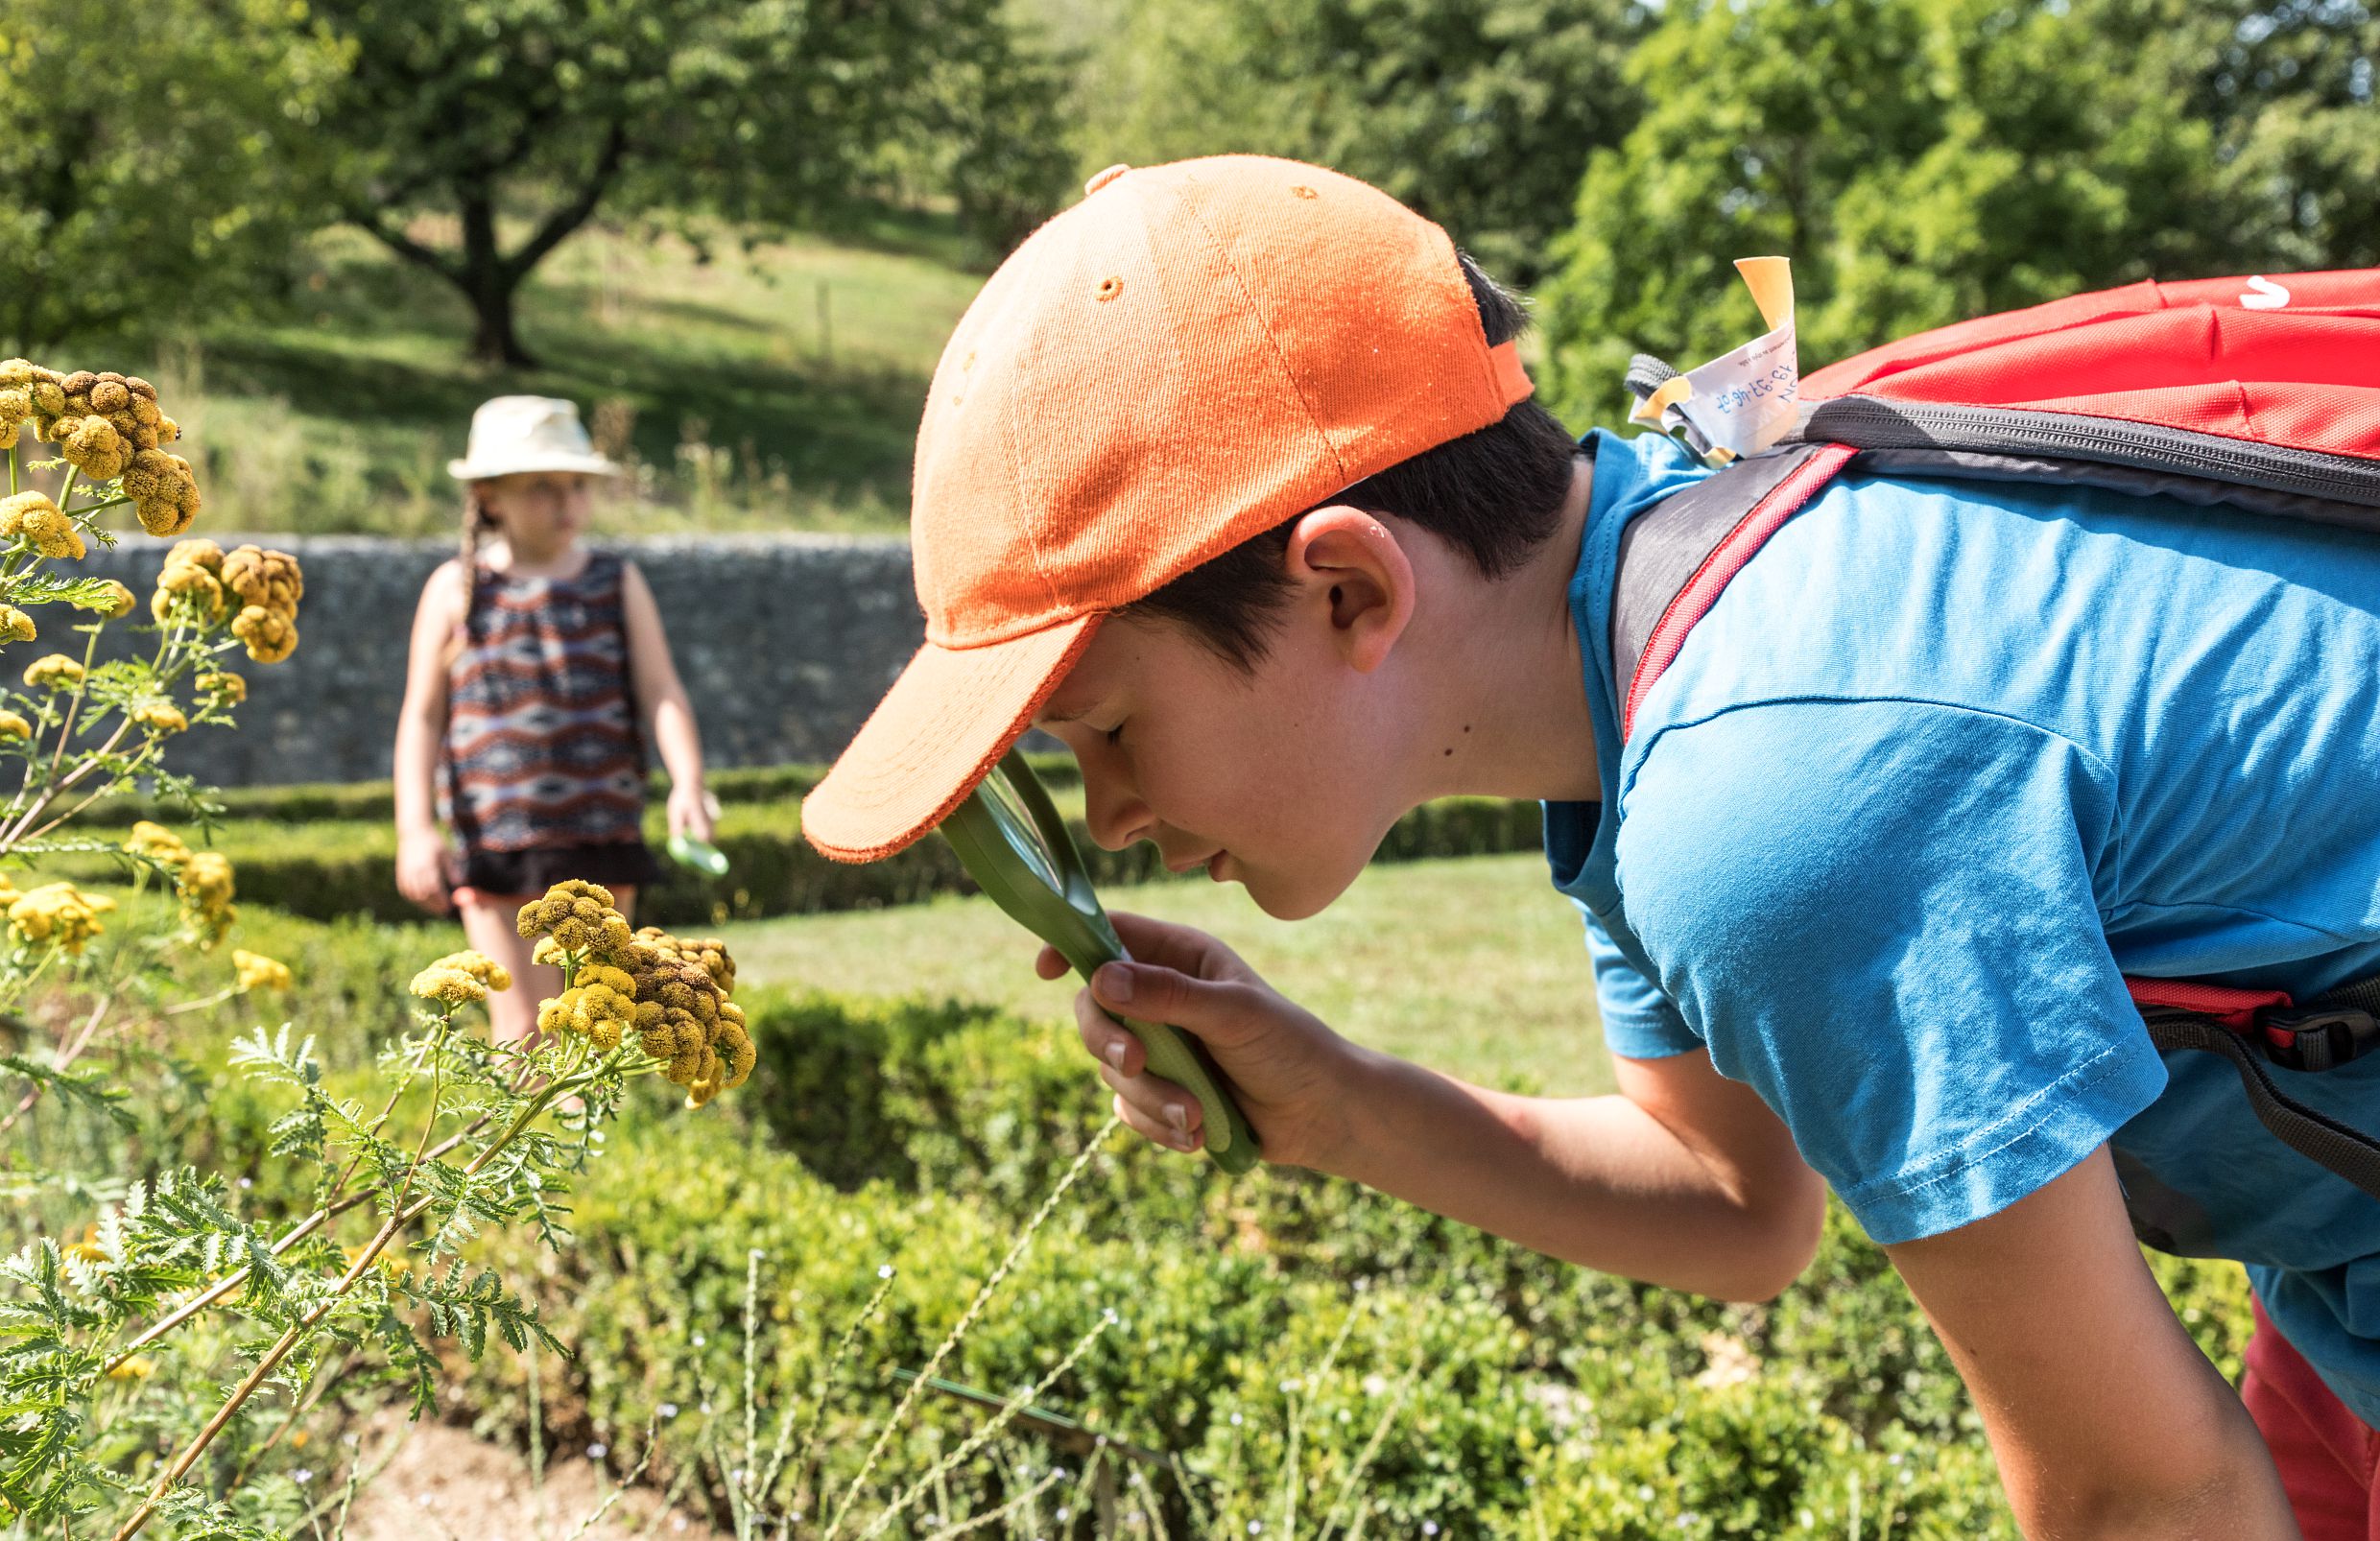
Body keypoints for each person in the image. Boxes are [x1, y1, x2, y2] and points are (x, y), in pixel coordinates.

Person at [799, 157, 2380, 1535]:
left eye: (1108, 731)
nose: (1119, 823)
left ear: (1348, 588)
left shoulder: (1772, 795)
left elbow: (2149, 1500)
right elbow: (1735, 1205)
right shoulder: (1667, 626)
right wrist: (1334, 1104)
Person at [395, 395, 715, 1043]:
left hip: (602, 837)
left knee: (598, 1022)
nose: (566, 502)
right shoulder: (453, 592)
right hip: (495, 846)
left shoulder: (614, 581)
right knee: (519, 1031)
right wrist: (414, 831)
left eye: (576, 485)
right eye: (542, 487)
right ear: (490, 496)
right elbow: (422, 720)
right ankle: (514, 1147)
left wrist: (688, 781)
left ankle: (584, 1147)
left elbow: (662, 693)